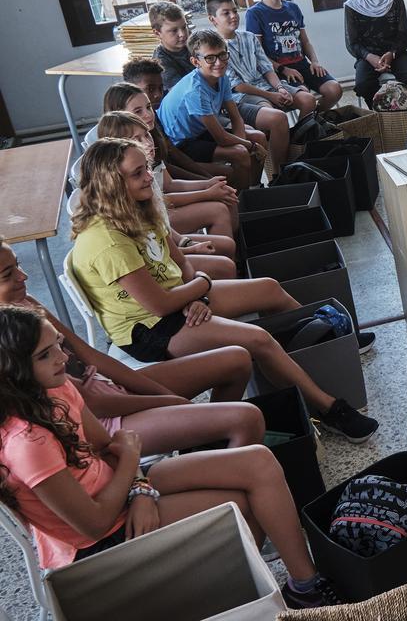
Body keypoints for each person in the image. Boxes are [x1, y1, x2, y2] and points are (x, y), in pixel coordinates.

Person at [0, 307, 342, 608]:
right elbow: (93, 523)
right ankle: (229, 600)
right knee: (240, 506)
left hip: (118, 491)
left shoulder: (55, 387)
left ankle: (303, 587)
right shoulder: (27, 443)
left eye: (58, 344)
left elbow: (109, 445)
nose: (63, 357)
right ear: (12, 370)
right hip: (98, 543)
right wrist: (134, 472)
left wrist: (140, 488)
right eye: (46, 354)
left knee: (258, 461)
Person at [69, 138, 378, 443]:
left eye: (146, 168)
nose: (150, 176)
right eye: (137, 173)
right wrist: (199, 288)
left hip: (178, 299)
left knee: (269, 289)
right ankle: (328, 408)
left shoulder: (139, 205)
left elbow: (182, 266)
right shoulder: (106, 240)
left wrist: (199, 295)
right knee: (257, 340)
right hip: (149, 328)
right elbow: (160, 306)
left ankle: (328, 344)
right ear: (111, 184)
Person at [0, 239, 259, 453]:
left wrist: (163, 396)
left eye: (18, 266)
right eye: (7, 275)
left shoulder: (27, 304)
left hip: (106, 389)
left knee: (237, 360)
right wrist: (163, 401)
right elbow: (88, 403)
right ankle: (218, 469)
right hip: (98, 424)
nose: (23, 276)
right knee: (244, 419)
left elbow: (90, 356)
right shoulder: (9, 341)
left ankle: (205, 450)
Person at [78, 82, 239, 240]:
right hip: (144, 218)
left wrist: (208, 183)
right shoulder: (125, 156)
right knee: (218, 209)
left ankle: (235, 254)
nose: (147, 115)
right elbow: (158, 198)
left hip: (159, 207)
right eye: (138, 111)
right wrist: (206, 193)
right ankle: (226, 256)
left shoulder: (148, 139)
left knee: (225, 196)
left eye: (148, 107)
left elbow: (168, 184)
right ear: (120, 116)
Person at [87, 112, 237, 280]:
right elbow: (155, 249)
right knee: (224, 263)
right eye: (137, 139)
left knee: (227, 246)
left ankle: (231, 283)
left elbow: (161, 222)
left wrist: (185, 243)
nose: (147, 142)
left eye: (147, 135)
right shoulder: (130, 193)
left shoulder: (144, 170)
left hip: (166, 242)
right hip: (160, 263)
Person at [156, 30, 268, 190]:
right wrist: (250, 147)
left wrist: (246, 143)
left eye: (223, 55)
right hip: (181, 143)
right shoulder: (195, 90)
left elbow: (236, 118)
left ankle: (255, 188)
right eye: (210, 58)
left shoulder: (222, 78)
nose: (219, 62)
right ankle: (242, 202)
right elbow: (221, 137)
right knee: (241, 153)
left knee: (258, 137)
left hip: (199, 132)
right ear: (196, 62)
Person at [207, 0, 293, 171]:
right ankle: (277, 170)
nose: (233, 16)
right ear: (213, 19)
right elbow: (237, 86)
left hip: (266, 85)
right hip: (242, 95)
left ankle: (294, 153)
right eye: (225, 13)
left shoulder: (249, 37)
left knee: (307, 99)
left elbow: (266, 67)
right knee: (275, 114)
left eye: (235, 11)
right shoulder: (215, 47)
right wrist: (272, 94)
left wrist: (279, 87)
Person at [245, 0, 343, 112]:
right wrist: (283, 69)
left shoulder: (293, 8)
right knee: (305, 96)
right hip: (277, 70)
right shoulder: (254, 13)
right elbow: (257, 54)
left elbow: (305, 41)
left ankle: (316, 119)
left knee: (334, 89)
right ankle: (306, 131)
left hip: (302, 64)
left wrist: (315, 61)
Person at [122, 57, 234, 183]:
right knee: (225, 175)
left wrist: (207, 179)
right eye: (150, 89)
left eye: (160, 88)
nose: (158, 94)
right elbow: (166, 171)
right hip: (161, 181)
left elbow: (175, 154)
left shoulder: (153, 116)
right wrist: (205, 182)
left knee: (226, 174)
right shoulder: (127, 133)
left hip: (170, 171)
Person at [148, 2, 193, 89]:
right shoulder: (161, 63)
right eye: (174, 30)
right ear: (157, 33)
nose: (182, 34)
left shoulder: (193, 43)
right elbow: (183, 92)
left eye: (184, 27)